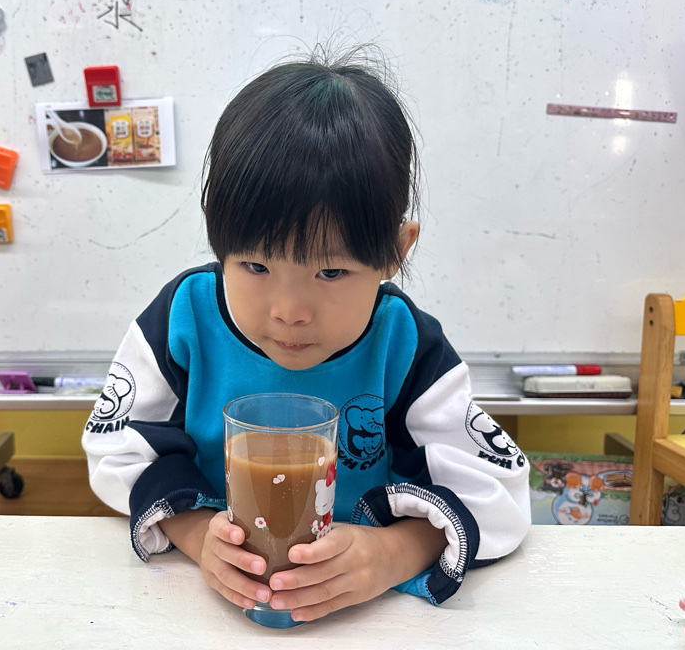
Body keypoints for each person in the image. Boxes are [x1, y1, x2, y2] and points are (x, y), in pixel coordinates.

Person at [81, 49, 531, 623]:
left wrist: (393, 553)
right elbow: (116, 449)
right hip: (197, 617)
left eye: (331, 272)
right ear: (217, 235)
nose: (289, 312)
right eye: (256, 266)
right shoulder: (183, 318)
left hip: (376, 624)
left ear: (395, 252)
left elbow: (500, 493)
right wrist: (195, 534)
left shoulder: (404, 344)